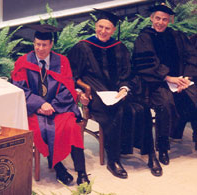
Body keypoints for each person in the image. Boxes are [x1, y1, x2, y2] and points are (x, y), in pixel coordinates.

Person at [67, 9, 162, 179]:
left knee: (143, 109)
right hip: (96, 93)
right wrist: (81, 91)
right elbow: (73, 75)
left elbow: (129, 73)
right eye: (100, 27)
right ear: (95, 26)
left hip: (118, 92)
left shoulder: (119, 48)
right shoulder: (82, 47)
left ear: (113, 30)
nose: (103, 31)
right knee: (115, 112)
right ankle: (114, 160)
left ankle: (151, 155)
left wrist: (124, 88)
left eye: (108, 28)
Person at [11, 24, 90, 185]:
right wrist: (40, 104)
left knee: (72, 127)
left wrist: (52, 106)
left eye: (44, 45)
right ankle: (59, 168)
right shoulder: (23, 62)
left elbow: (68, 89)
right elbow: (19, 89)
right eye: (37, 44)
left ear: (51, 45)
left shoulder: (62, 61)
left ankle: (82, 172)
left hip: (59, 107)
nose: (40, 49)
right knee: (42, 129)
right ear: (33, 43)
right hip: (34, 109)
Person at [132, 4, 197, 162]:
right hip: (156, 82)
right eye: (158, 18)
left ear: (170, 20)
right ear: (151, 18)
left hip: (181, 80)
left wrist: (186, 78)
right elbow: (146, 65)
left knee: (195, 98)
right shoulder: (144, 38)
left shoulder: (177, 36)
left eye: (165, 19)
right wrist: (168, 77)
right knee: (165, 104)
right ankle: (162, 148)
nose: (160, 22)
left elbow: (192, 57)